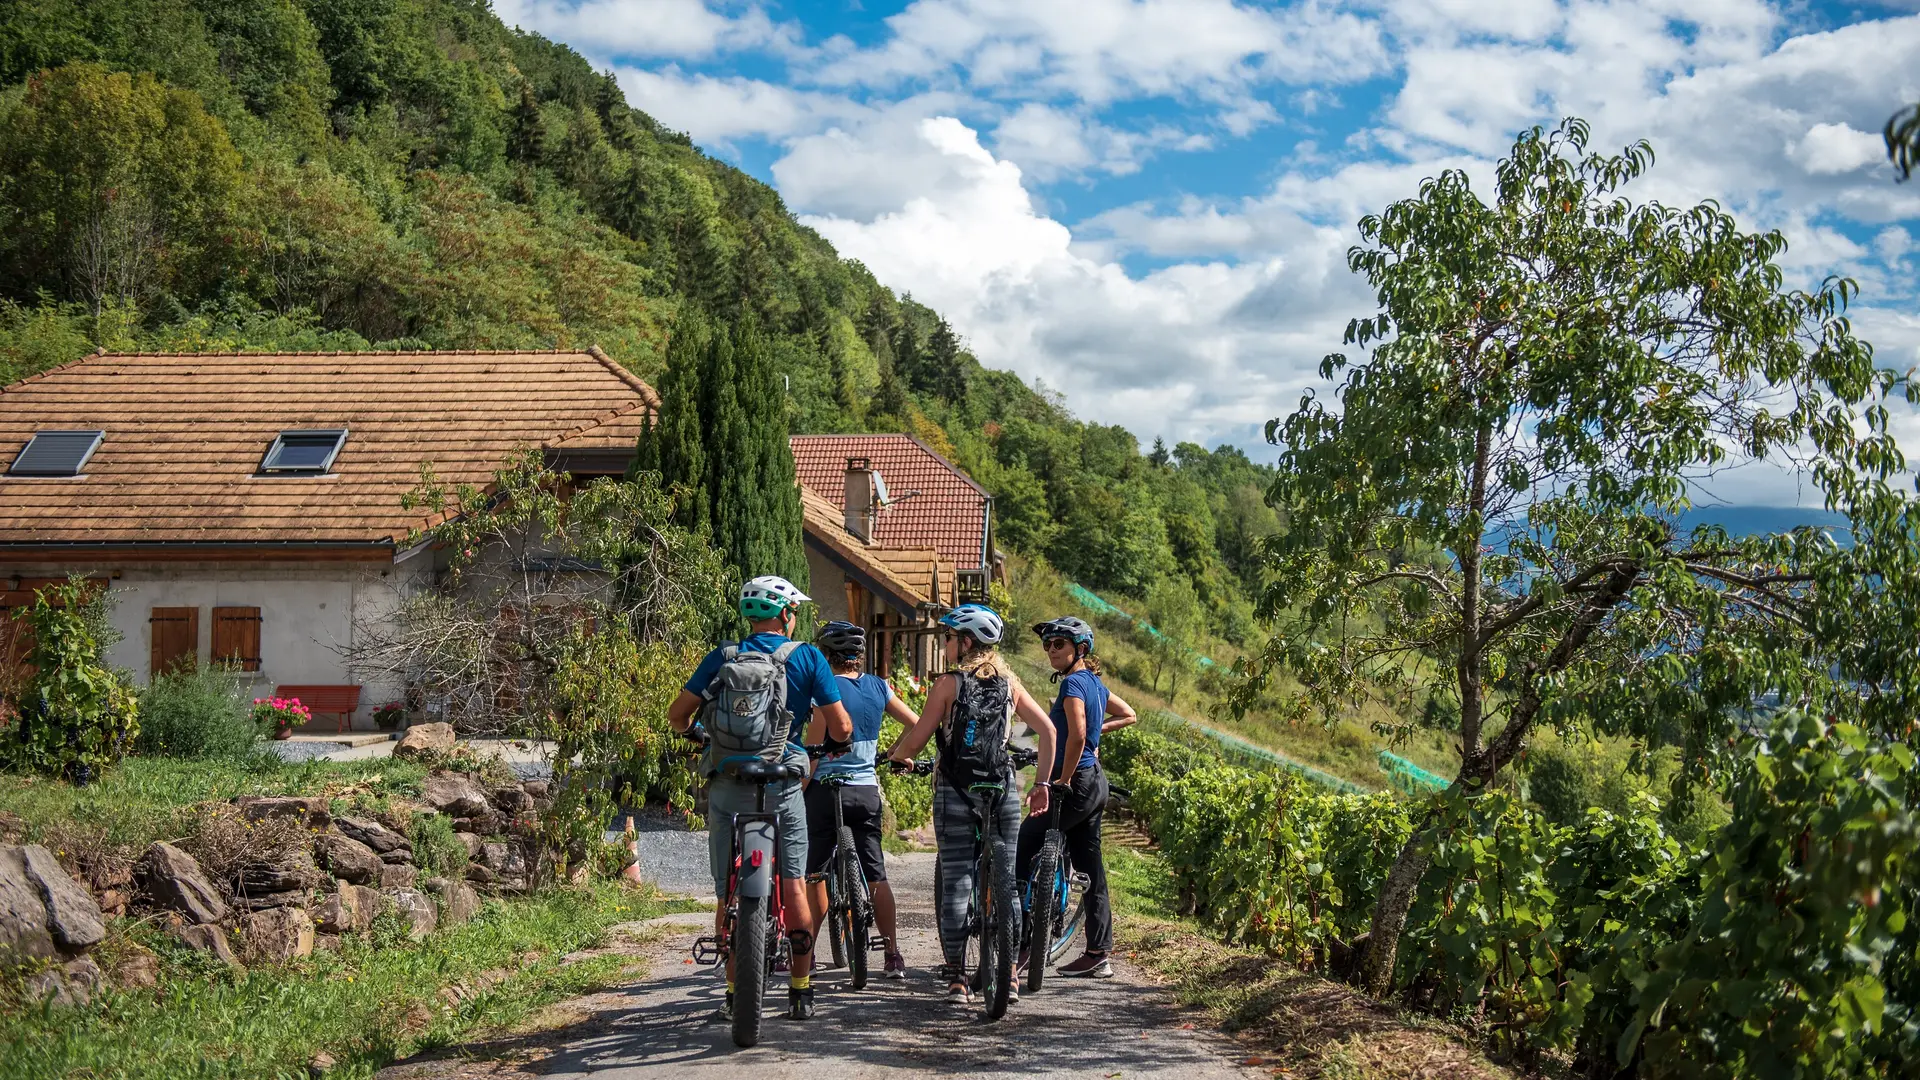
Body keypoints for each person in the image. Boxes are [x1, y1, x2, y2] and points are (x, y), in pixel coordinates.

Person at [667, 575, 853, 1022]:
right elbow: (842, 727)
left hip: (729, 782)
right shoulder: (807, 657)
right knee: (793, 885)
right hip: (783, 781)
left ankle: (733, 993)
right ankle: (801, 991)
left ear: (751, 617)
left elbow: (677, 717)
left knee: (727, 893)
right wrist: (829, 749)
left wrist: (701, 737)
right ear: (787, 615)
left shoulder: (723, 657)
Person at [885, 604, 1057, 1003]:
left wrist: (899, 758)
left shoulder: (948, 684)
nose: (945, 642)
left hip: (955, 791)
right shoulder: (1010, 682)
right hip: (1001, 790)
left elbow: (918, 737)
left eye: (949, 637)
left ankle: (958, 979)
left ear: (966, 643)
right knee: (1009, 886)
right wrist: (1043, 784)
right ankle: (1010, 974)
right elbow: (1046, 730)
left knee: (958, 883)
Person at [1016, 615, 1135, 979]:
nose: (1050, 650)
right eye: (1047, 644)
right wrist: (1092, 742)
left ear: (1080, 649)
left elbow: (1079, 735)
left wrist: (1062, 779)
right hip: (1095, 783)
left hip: (1076, 781)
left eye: (1059, 644)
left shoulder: (1072, 686)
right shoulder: (1095, 684)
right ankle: (1099, 953)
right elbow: (1128, 715)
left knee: (1027, 839)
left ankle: (1019, 941)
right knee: (1090, 867)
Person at [805, 620, 916, 979]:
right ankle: (893, 955)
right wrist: (896, 753)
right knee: (876, 874)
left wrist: (798, 785)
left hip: (826, 792)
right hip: (866, 791)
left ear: (825, 655)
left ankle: (802, 954)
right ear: (860, 656)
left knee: (815, 874)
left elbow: (814, 753)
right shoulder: (879, 687)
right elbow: (916, 723)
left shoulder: (825, 691)